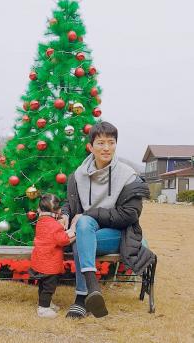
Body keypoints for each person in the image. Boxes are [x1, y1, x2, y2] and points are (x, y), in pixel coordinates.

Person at [61, 121, 155, 319]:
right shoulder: (78, 175)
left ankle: (82, 297)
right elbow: (70, 204)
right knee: (84, 228)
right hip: (89, 230)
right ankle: (92, 290)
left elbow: (129, 215)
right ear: (90, 147)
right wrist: (65, 215)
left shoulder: (128, 176)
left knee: (83, 229)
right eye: (101, 143)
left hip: (119, 233)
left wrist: (88, 214)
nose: (106, 148)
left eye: (111, 143)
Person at [30, 193, 75, 318]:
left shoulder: (41, 221)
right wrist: (74, 234)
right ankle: (43, 309)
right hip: (50, 263)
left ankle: (46, 303)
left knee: (43, 285)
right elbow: (63, 241)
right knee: (49, 288)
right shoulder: (55, 225)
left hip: (40, 261)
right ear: (57, 210)